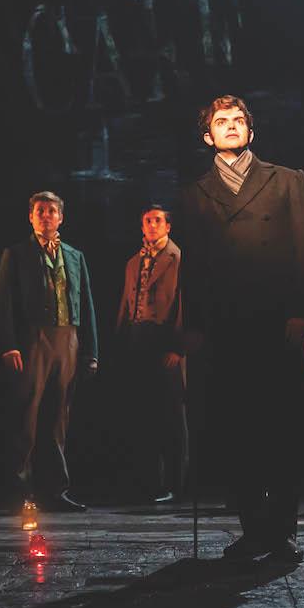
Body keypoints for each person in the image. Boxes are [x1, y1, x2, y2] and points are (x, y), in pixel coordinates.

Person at [181, 94, 304, 562]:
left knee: (282, 428)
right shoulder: (195, 193)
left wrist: (302, 313)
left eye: (239, 120)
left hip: (277, 322)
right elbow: (193, 267)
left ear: (251, 131)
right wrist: (193, 325)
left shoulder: (287, 180)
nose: (232, 126)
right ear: (208, 136)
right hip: (226, 325)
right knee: (238, 430)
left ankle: (283, 531)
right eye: (222, 121)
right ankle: (253, 530)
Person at [0, 191, 98, 511]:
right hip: (33, 339)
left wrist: (91, 350)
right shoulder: (16, 254)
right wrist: (9, 344)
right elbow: (3, 302)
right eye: (40, 211)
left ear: (61, 218)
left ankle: (56, 490)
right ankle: (20, 490)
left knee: (58, 418)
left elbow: (87, 302)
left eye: (52, 211)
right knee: (26, 416)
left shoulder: (74, 255)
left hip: (68, 339)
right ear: (30, 217)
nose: (46, 216)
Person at [115, 204, 187, 502]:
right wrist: (122, 339)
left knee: (171, 414)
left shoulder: (178, 258)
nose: (152, 225)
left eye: (158, 220)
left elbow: (184, 303)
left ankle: (176, 484)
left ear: (167, 226)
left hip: (165, 339)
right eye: (147, 220)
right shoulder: (134, 261)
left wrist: (178, 347)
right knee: (143, 414)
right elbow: (126, 302)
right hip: (139, 338)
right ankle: (149, 482)